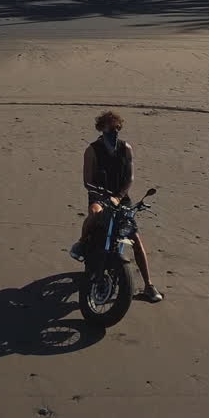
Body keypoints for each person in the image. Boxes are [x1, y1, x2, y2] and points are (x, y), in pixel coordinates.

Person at [70, 110, 163, 302]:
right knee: (95, 214)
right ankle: (81, 242)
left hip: (121, 198)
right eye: (111, 129)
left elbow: (130, 177)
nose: (115, 132)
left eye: (117, 128)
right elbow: (87, 181)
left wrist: (119, 197)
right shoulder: (92, 150)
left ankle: (149, 285)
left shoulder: (126, 148)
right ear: (102, 128)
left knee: (135, 238)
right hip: (99, 196)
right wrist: (104, 195)